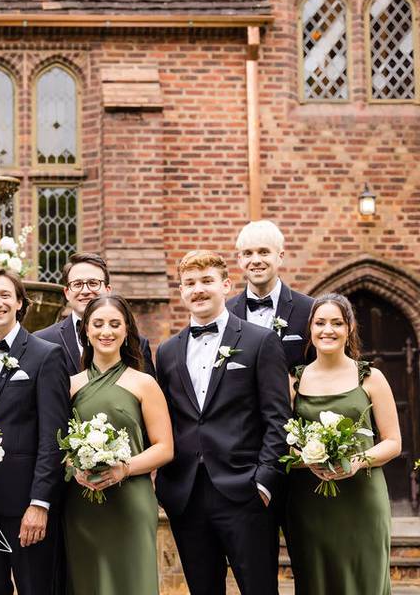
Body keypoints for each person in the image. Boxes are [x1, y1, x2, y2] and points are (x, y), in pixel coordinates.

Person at [155, 250, 291, 595]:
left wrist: (264, 481)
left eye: (206, 281)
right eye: (189, 284)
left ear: (226, 285)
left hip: (245, 491)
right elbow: (167, 418)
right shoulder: (168, 351)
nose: (198, 290)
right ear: (181, 291)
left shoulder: (260, 342)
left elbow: (278, 417)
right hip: (186, 494)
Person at [0, 267, 69, 595]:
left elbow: (53, 437)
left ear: (20, 302)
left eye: (5, 295)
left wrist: (40, 504)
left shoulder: (46, 355)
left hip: (27, 507)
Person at [285, 293, 400, 595]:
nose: (328, 330)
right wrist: (308, 459)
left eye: (337, 322)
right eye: (320, 322)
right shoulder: (294, 383)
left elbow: (392, 442)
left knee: (366, 578)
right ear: (310, 328)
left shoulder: (371, 378)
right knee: (316, 580)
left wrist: (358, 461)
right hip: (309, 500)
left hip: (362, 497)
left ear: (349, 328)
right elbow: (281, 443)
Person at [64, 295, 172, 594]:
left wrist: (124, 469)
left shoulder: (144, 383)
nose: (105, 331)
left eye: (114, 324)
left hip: (130, 500)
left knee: (132, 581)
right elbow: (59, 446)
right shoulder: (70, 385)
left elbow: (164, 447)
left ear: (126, 331)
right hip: (82, 502)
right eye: (97, 324)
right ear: (86, 330)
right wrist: (75, 468)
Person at [35, 252, 156, 378]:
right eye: (77, 284)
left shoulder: (138, 344)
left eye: (93, 283)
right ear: (66, 293)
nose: (86, 291)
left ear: (108, 290)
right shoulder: (42, 341)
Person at [227, 220, 314, 370]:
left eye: (264, 252)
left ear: (280, 256)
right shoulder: (225, 313)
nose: (255, 261)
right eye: (248, 253)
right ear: (240, 260)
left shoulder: (309, 308)